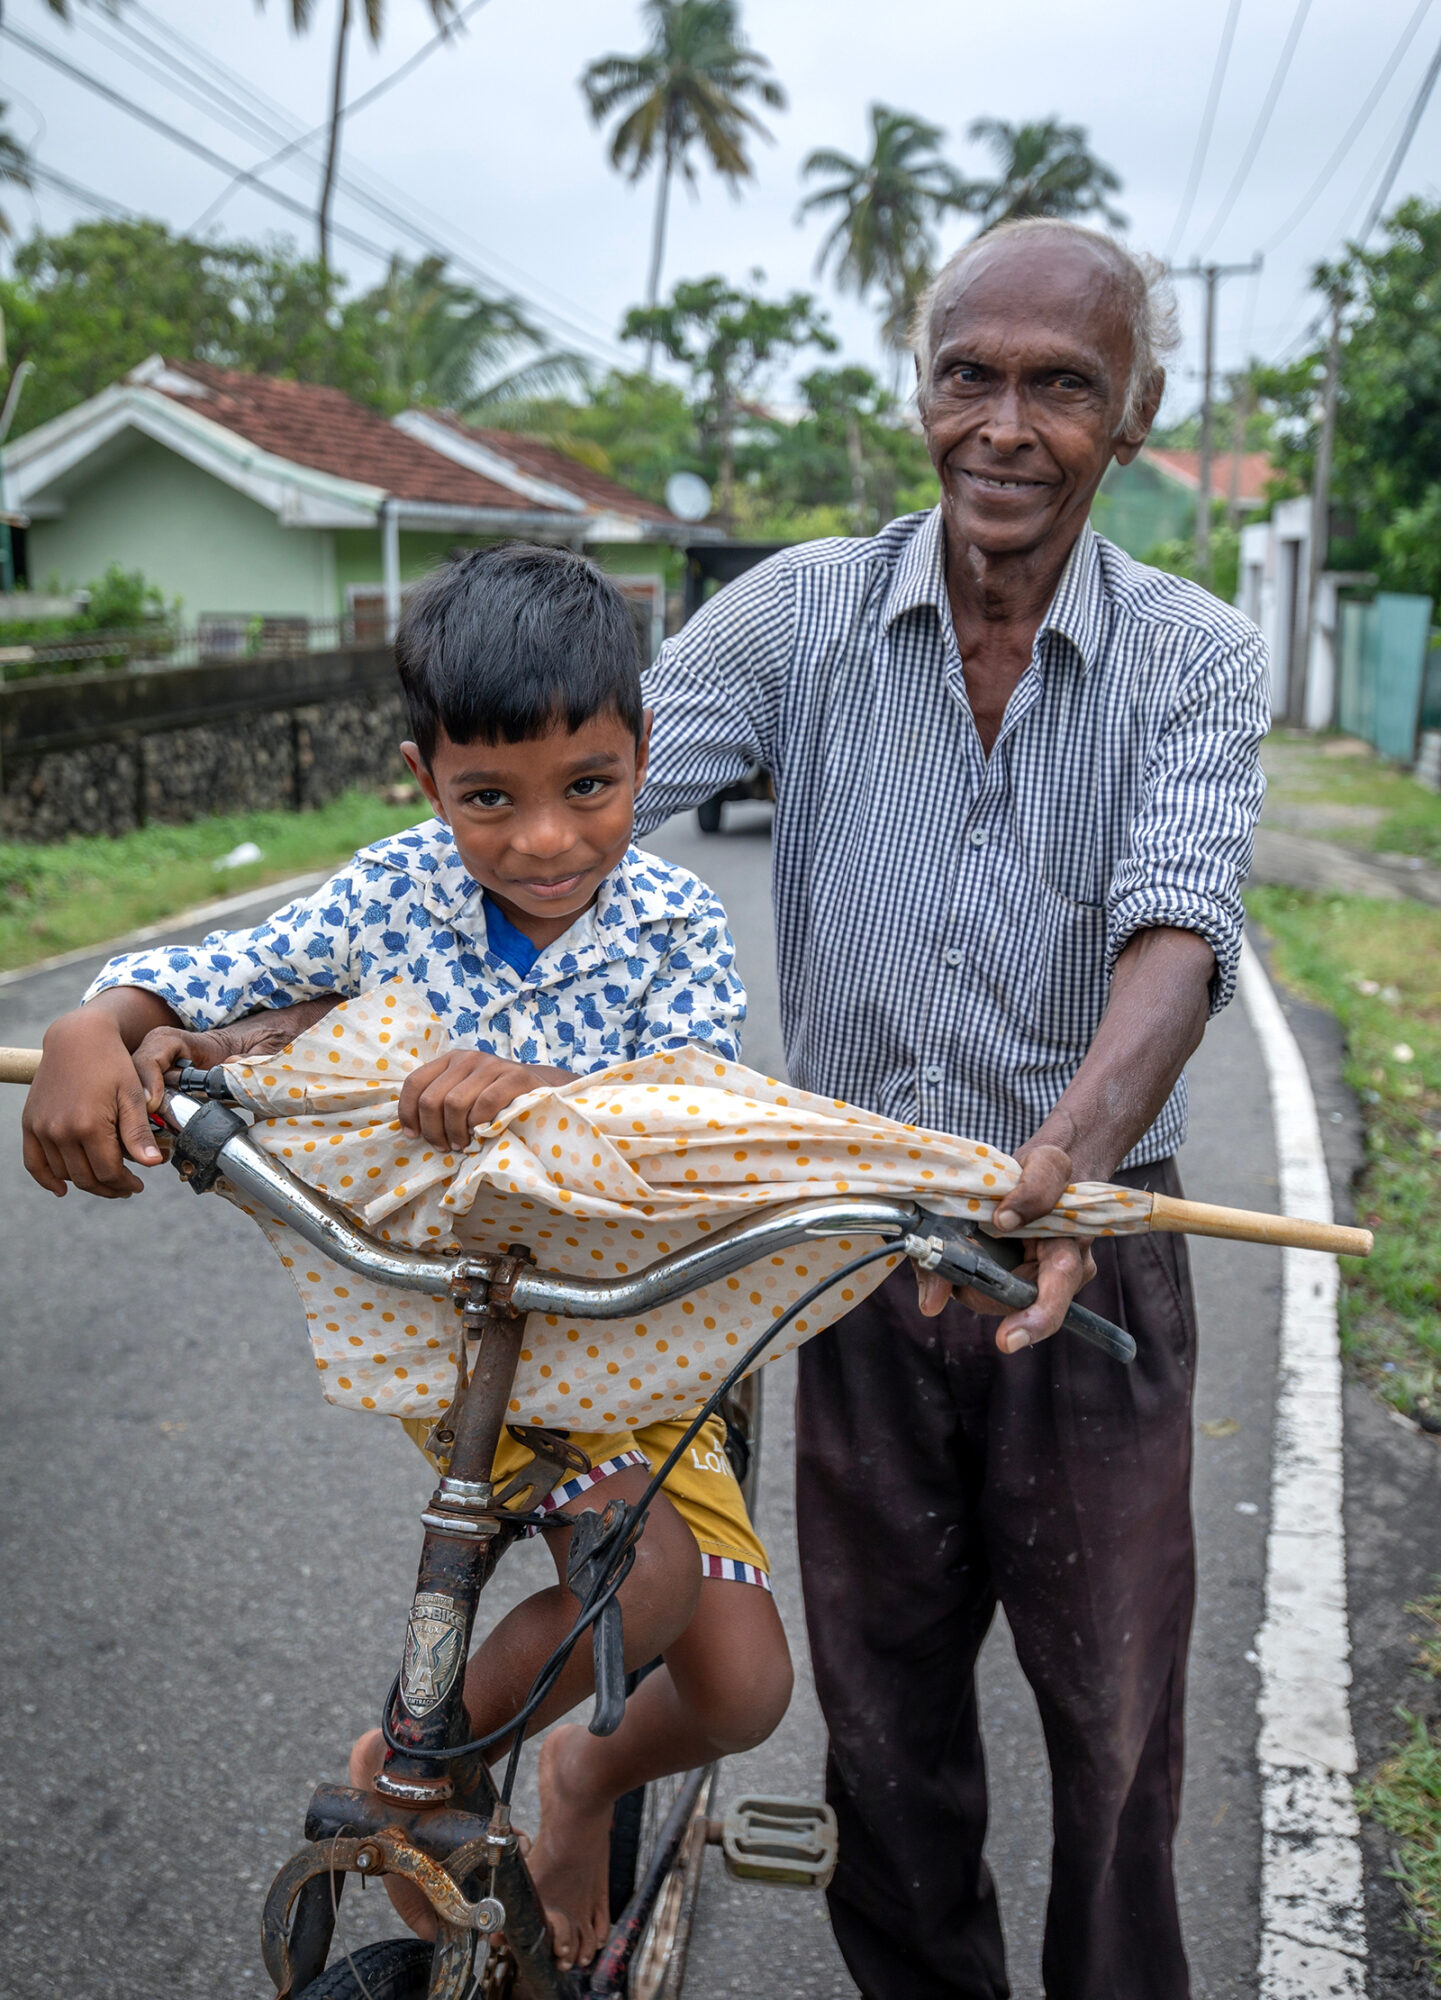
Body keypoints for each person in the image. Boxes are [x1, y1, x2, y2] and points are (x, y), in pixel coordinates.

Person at [633, 219, 1270, 2000]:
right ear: (920, 390)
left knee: (1116, 1738)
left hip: (1088, 1273)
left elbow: (1176, 932)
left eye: (1058, 384)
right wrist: (177, 1000)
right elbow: (559, 811)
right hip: (853, 1266)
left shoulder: (1192, 658)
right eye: (967, 374)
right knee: (884, 1739)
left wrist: (1056, 1165)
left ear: (1134, 413)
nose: (1004, 424)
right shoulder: (795, 614)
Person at [21, 542, 794, 1974]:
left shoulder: (676, 923)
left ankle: (577, 1779)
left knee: (746, 1692)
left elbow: (699, 1113)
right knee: (646, 1584)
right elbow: (210, 980)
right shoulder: (391, 892)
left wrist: (540, 1092)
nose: (546, 841)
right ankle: (420, 1760)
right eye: (487, 798)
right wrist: (90, 1027)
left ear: (644, 755)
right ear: (423, 777)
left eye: (591, 788)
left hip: (624, 1329)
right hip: (474, 1335)